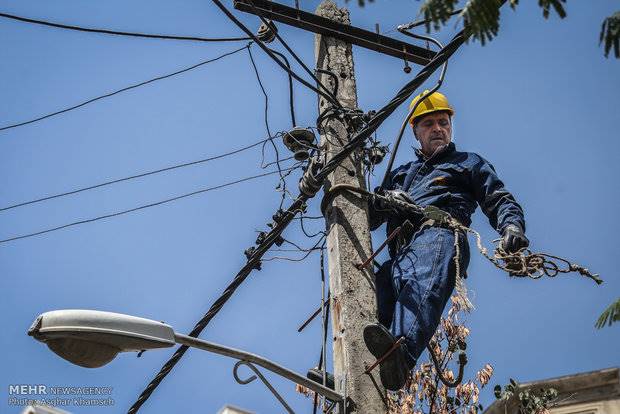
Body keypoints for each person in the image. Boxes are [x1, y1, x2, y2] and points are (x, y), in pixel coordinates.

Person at [364, 90, 529, 391]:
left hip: (438, 235)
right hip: (400, 254)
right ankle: (355, 373)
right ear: (415, 130)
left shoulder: (467, 162)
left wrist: (512, 226)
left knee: (421, 286)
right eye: (429, 124)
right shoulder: (400, 175)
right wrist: (384, 202)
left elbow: (498, 197)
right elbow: (365, 217)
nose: (438, 128)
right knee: (366, 302)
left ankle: (401, 353)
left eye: (443, 122)